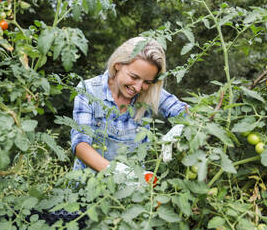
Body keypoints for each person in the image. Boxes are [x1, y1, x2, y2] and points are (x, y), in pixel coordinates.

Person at [70, 37, 188, 175]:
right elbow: (80, 145)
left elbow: (184, 112)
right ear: (118, 64)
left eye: (147, 82)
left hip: (134, 191)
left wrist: (181, 127)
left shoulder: (150, 93)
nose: (138, 88)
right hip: (88, 186)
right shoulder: (89, 90)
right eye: (134, 77)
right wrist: (119, 173)